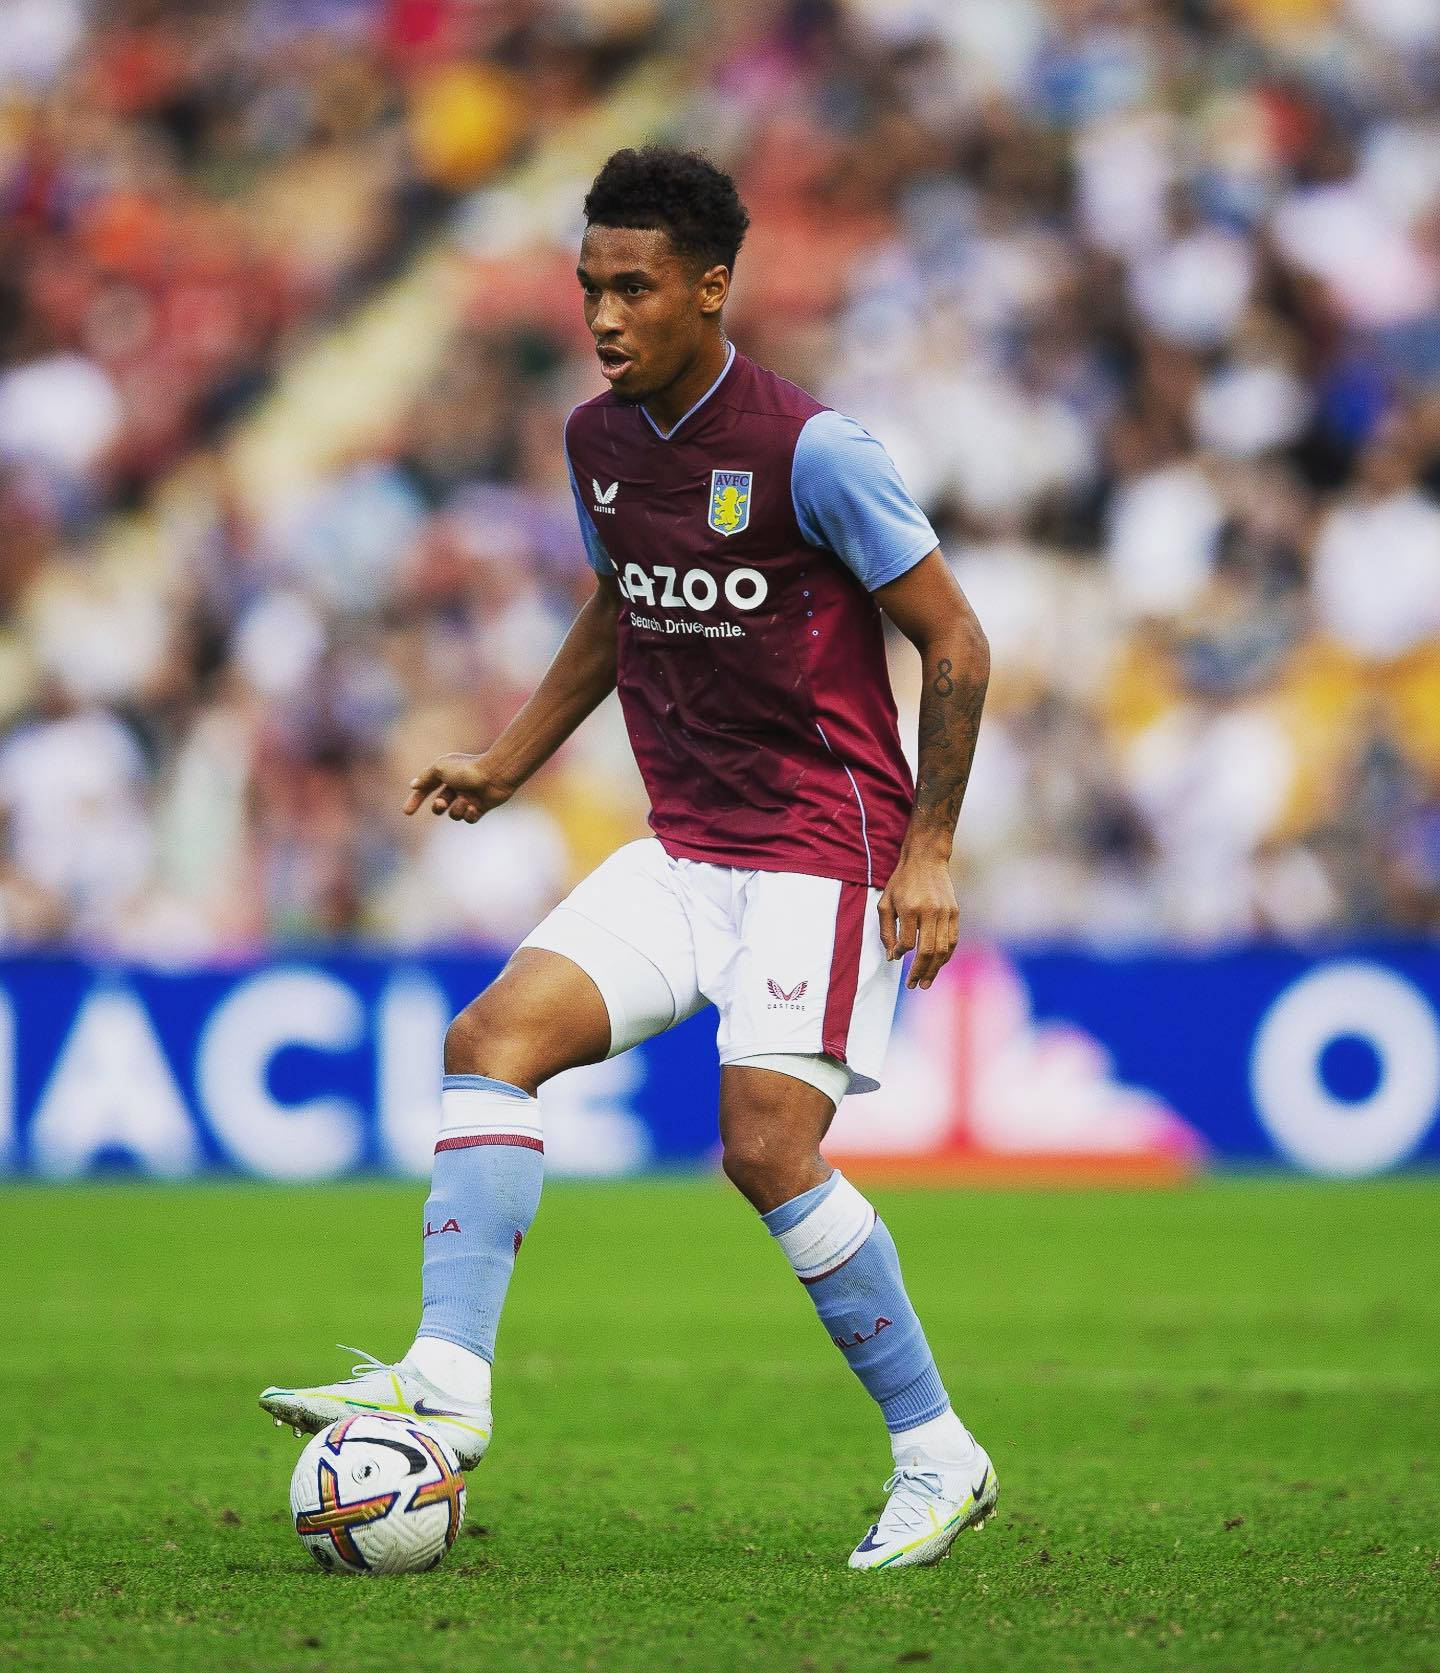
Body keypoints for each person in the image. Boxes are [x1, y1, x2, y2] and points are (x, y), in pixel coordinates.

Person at [262, 146, 995, 1571]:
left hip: (822, 847)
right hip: (688, 845)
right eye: (589, 285)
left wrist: (931, 848)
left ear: (712, 288)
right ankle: (448, 1383)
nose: (604, 316)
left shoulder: (812, 450)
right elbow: (623, 605)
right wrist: (507, 758)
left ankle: (938, 1453)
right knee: (491, 1038)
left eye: (635, 288)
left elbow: (955, 638)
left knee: (765, 1149)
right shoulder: (597, 443)